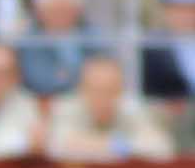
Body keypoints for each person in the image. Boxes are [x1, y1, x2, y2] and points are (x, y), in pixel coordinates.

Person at [43, 50, 171, 160]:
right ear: (82, 90)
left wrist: (115, 147)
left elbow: (161, 147)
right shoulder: (67, 108)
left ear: (120, 91)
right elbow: (56, 145)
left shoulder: (131, 108)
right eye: (95, 90)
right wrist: (116, 146)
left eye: (110, 90)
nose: (102, 98)